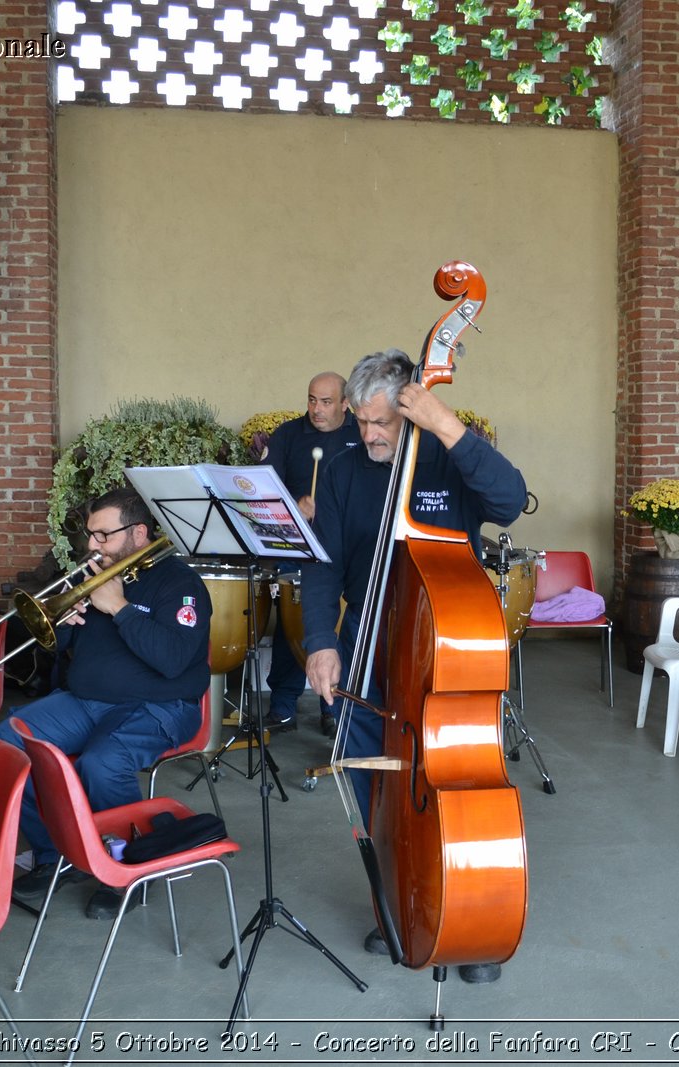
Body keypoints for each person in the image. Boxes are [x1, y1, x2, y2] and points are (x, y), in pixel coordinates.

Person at [300, 348, 527, 985]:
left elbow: (510, 500)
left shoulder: (446, 459)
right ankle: (400, 901)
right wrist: (322, 640)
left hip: (442, 657)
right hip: (371, 649)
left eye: (384, 423)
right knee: (382, 785)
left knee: (458, 778)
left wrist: (446, 424)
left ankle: (471, 917)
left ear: (411, 410)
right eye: (361, 422)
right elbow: (321, 565)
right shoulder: (345, 471)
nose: (370, 435)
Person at [0, 488, 211, 920]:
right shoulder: (92, 574)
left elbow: (171, 660)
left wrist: (120, 608)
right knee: (7, 744)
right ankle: (55, 853)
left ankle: (127, 870)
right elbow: (64, 652)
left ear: (139, 533)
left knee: (101, 763)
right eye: (91, 534)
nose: (92, 545)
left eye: (103, 535)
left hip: (160, 706)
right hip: (88, 700)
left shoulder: (180, 583)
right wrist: (67, 622)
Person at [262, 371, 361, 736]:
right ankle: (283, 706)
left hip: (348, 552)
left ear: (346, 403)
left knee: (340, 629)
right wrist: (291, 507)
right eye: (311, 400)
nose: (317, 410)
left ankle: (333, 706)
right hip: (299, 549)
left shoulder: (360, 434)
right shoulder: (288, 435)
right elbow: (263, 493)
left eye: (327, 402)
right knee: (295, 623)